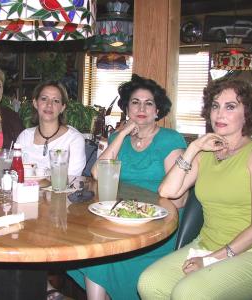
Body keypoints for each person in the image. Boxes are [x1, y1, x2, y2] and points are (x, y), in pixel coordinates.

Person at [67, 74, 187, 300]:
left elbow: (178, 197)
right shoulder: (118, 137)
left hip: (157, 223)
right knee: (91, 247)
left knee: (101, 254)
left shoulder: (171, 140)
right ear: (127, 108)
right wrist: (121, 134)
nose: (141, 107)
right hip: (120, 217)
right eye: (135, 102)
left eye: (148, 103)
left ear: (157, 110)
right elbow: (97, 174)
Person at [138, 78, 252, 299]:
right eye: (215, 106)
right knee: (149, 283)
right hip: (205, 244)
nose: (219, 114)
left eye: (230, 106)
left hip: (250, 253)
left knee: (188, 293)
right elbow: (167, 191)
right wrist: (193, 147)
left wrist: (213, 259)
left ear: (247, 113)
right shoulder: (205, 153)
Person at [16, 80, 86, 176]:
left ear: (62, 107)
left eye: (56, 101)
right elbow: (16, 173)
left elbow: (71, 180)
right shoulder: (24, 137)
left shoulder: (74, 140)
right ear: (35, 103)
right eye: (44, 99)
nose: (49, 105)